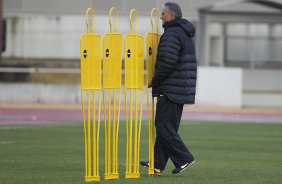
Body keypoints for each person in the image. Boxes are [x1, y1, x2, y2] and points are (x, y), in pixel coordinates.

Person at [140, 2, 197, 174]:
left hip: (171, 88)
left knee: (163, 126)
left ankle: (185, 158)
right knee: (167, 126)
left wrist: (154, 81)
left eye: (163, 14)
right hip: (181, 87)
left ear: (172, 15)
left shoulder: (172, 33)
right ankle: (157, 163)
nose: (161, 17)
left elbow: (167, 62)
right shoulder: (184, 33)